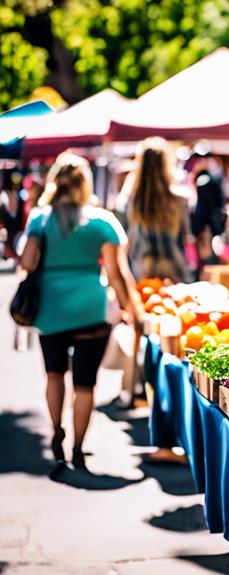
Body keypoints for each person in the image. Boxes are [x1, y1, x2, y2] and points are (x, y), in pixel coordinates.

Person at [19, 152, 142, 469]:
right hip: (91, 307)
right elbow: (117, 274)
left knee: (54, 373)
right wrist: (131, 310)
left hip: (51, 307)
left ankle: (57, 430)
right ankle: (77, 447)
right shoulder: (101, 221)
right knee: (86, 383)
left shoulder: (40, 219)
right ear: (85, 183)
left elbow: (27, 263)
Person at [117, 137, 193, 282]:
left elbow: (126, 238)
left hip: (141, 268)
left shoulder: (130, 200)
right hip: (175, 266)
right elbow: (187, 234)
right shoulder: (179, 199)